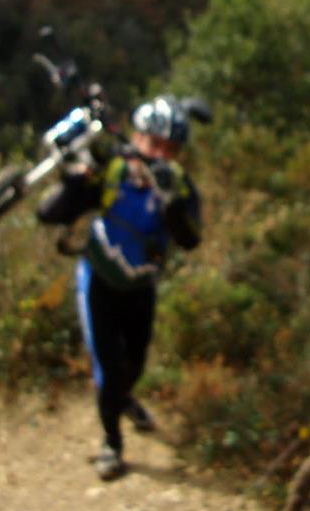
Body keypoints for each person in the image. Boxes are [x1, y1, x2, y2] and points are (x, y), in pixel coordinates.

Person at [37, 94, 202, 480]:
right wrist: (74, 181)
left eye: (170, 149)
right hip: (99, 281)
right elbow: (51, 212)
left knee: (136, 363)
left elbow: (191, 239)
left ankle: (123, 398)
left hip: (141, 288)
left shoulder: (178, 186)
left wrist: (172, 205)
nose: (160, 154)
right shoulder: (111, 170)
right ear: (137, 136)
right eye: (153, 143)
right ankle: (112, 442)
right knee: (109, 369)